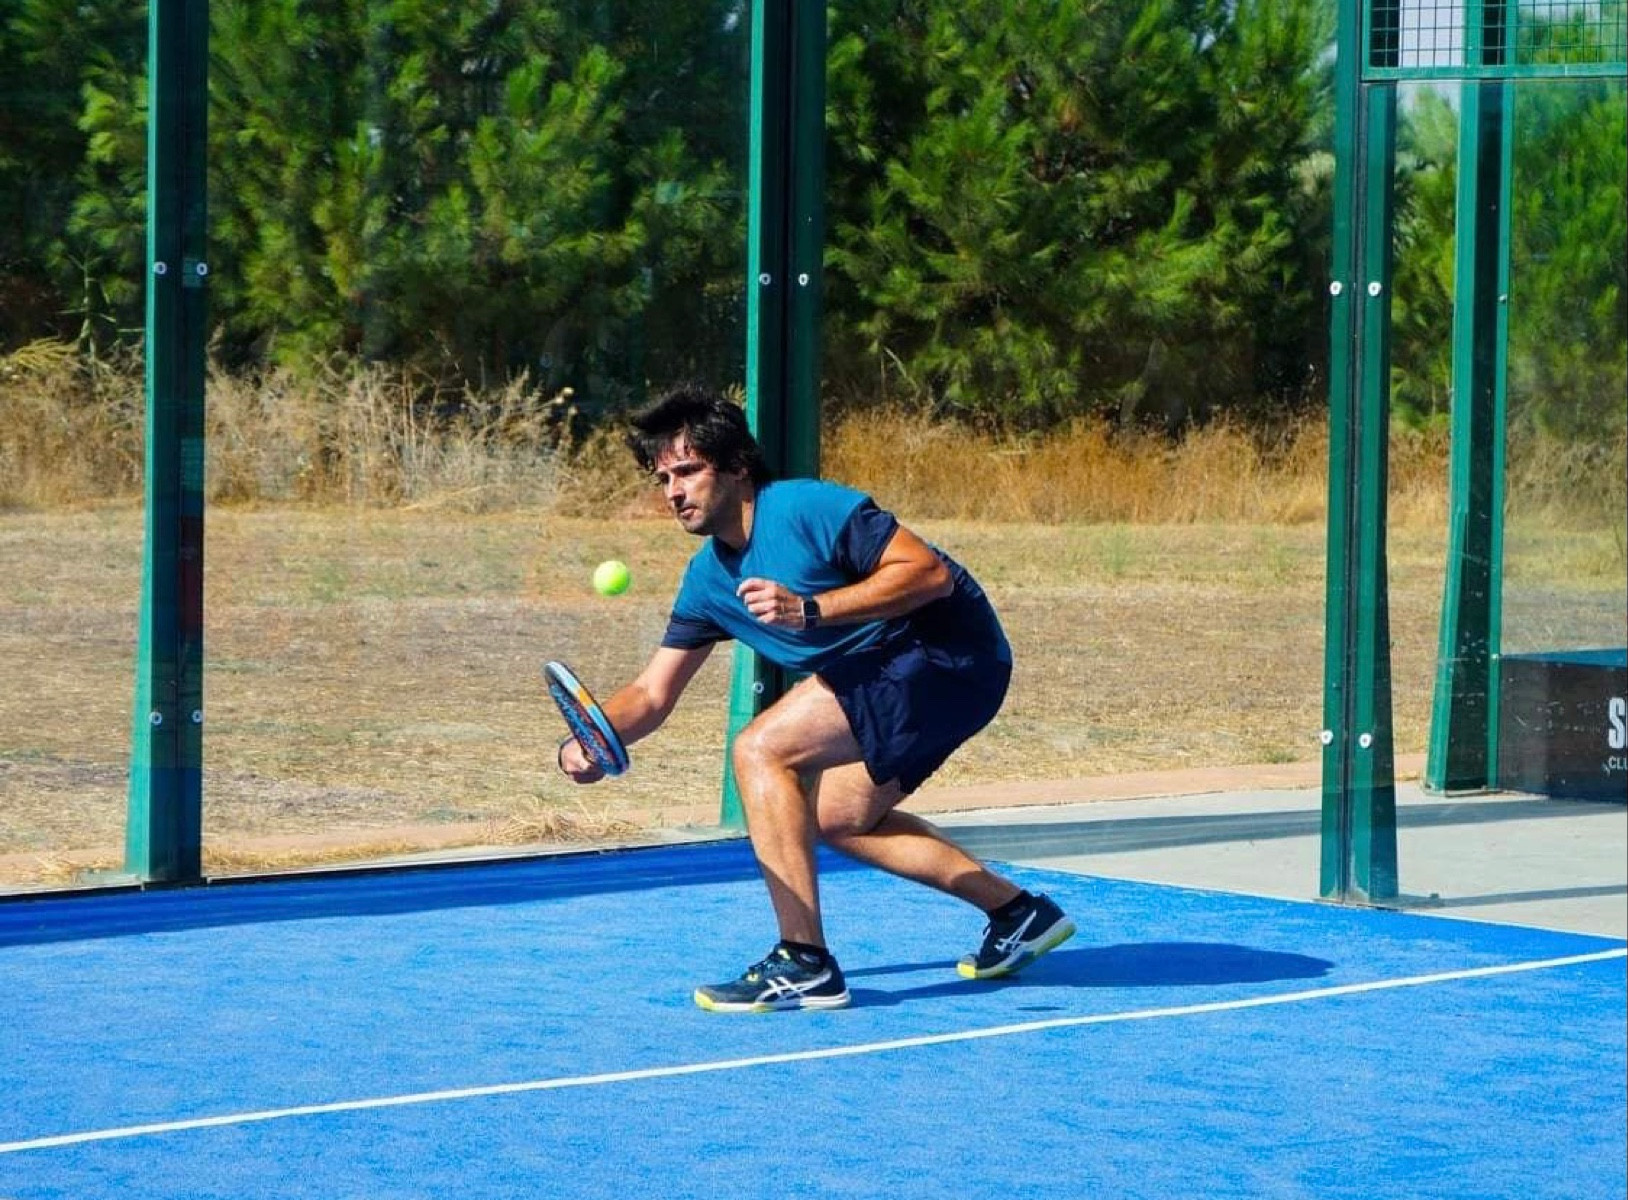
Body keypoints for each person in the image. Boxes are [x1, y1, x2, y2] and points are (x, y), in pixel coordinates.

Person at [557, 383, 1073, 1012]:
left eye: (688, 471)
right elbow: (651, 693)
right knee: (838, 819)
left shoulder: (806, 507)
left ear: (737, 466)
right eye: (663, 478)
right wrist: (591, 738)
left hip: (945, 650)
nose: (673, 492)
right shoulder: (707, 581)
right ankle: (1018, 913)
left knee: (761, 749)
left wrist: (811, 608)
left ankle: (804, 961)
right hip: (916, 679)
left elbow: (928, 574)